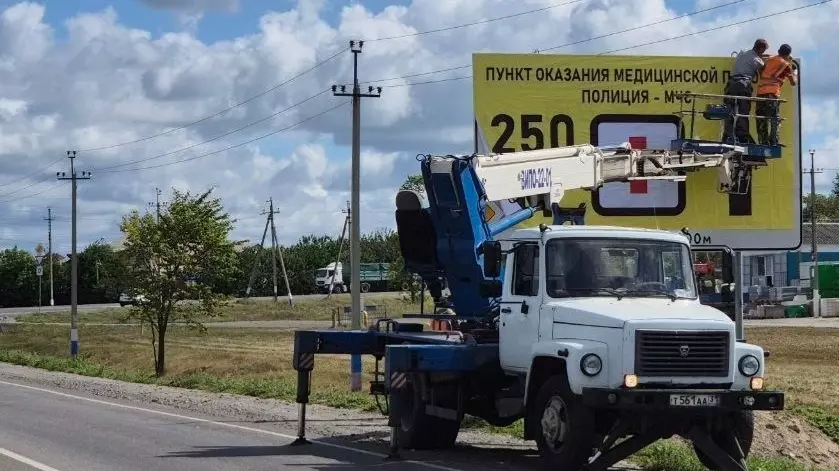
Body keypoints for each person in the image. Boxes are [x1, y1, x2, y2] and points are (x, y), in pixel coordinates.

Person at [722, 39, 769, 144]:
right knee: (743, 112)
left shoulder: (742, 51)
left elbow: (747, 57)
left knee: (729, 111)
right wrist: (764, 59)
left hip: (731, 84)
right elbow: (763, 72)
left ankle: (728, 136)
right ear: (761, 49)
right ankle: (743, 137)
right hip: (743, 85)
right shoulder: (759, 61)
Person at [756, 44, 797, 146]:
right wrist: (794, 71)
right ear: (788, 54)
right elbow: (793, 82)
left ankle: (763, 142)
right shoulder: (786, 65)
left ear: (778, 51)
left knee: (761, 119)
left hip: (761, 93)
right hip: (772, 93)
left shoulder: (770, 59)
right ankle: (774, 141)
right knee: (774, 118)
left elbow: (764, 58)